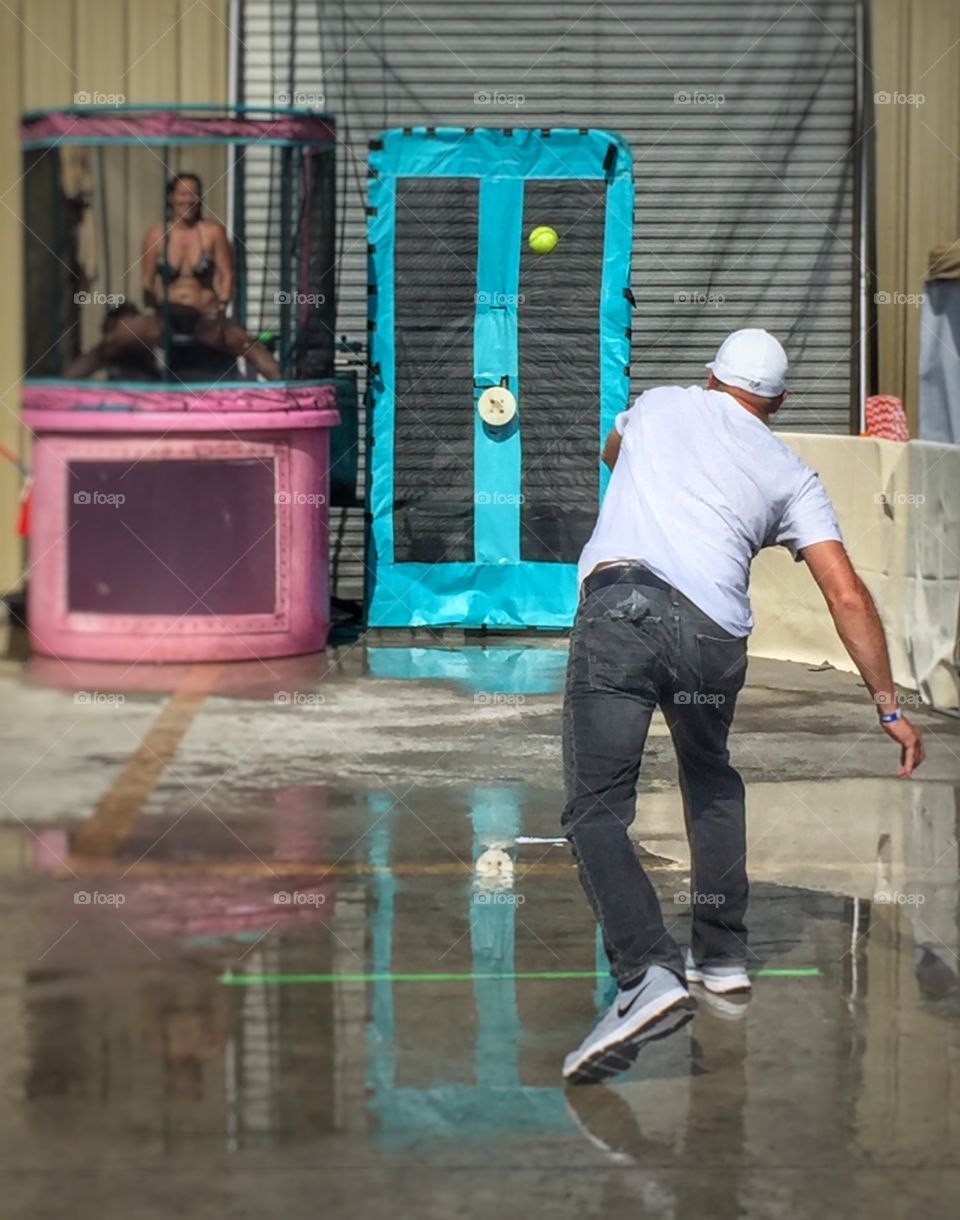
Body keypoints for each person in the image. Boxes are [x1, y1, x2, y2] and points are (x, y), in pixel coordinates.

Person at [560, 328, 925, 1085]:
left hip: (622, 606)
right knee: (710, 775)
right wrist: (888, 706)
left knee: (596, 810)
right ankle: (721, 959)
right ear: (779, 403)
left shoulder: (656, 406)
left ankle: (646, 975)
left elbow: (611, 455)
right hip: (713, 635)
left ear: (709, 377)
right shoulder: (792, 472)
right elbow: (846, 593)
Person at [101, 173, 280, 380]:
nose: (188, 200)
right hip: (168, 315)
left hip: (205, 315)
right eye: (183, 194)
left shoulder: (213, 232)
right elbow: (147, 281)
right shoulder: (156, 234)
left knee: (244, 342)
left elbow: (226, 275)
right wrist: (153, 307)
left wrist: (221, 307)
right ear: (171, 197)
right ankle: (67, 387)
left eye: (194, 194)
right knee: (118, 338)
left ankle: (290, 389)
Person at [64, 303, 159, 380]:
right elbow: (67, 379)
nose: (109, 337)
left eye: (114, 328)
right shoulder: (108, 353)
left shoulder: (143, 352)